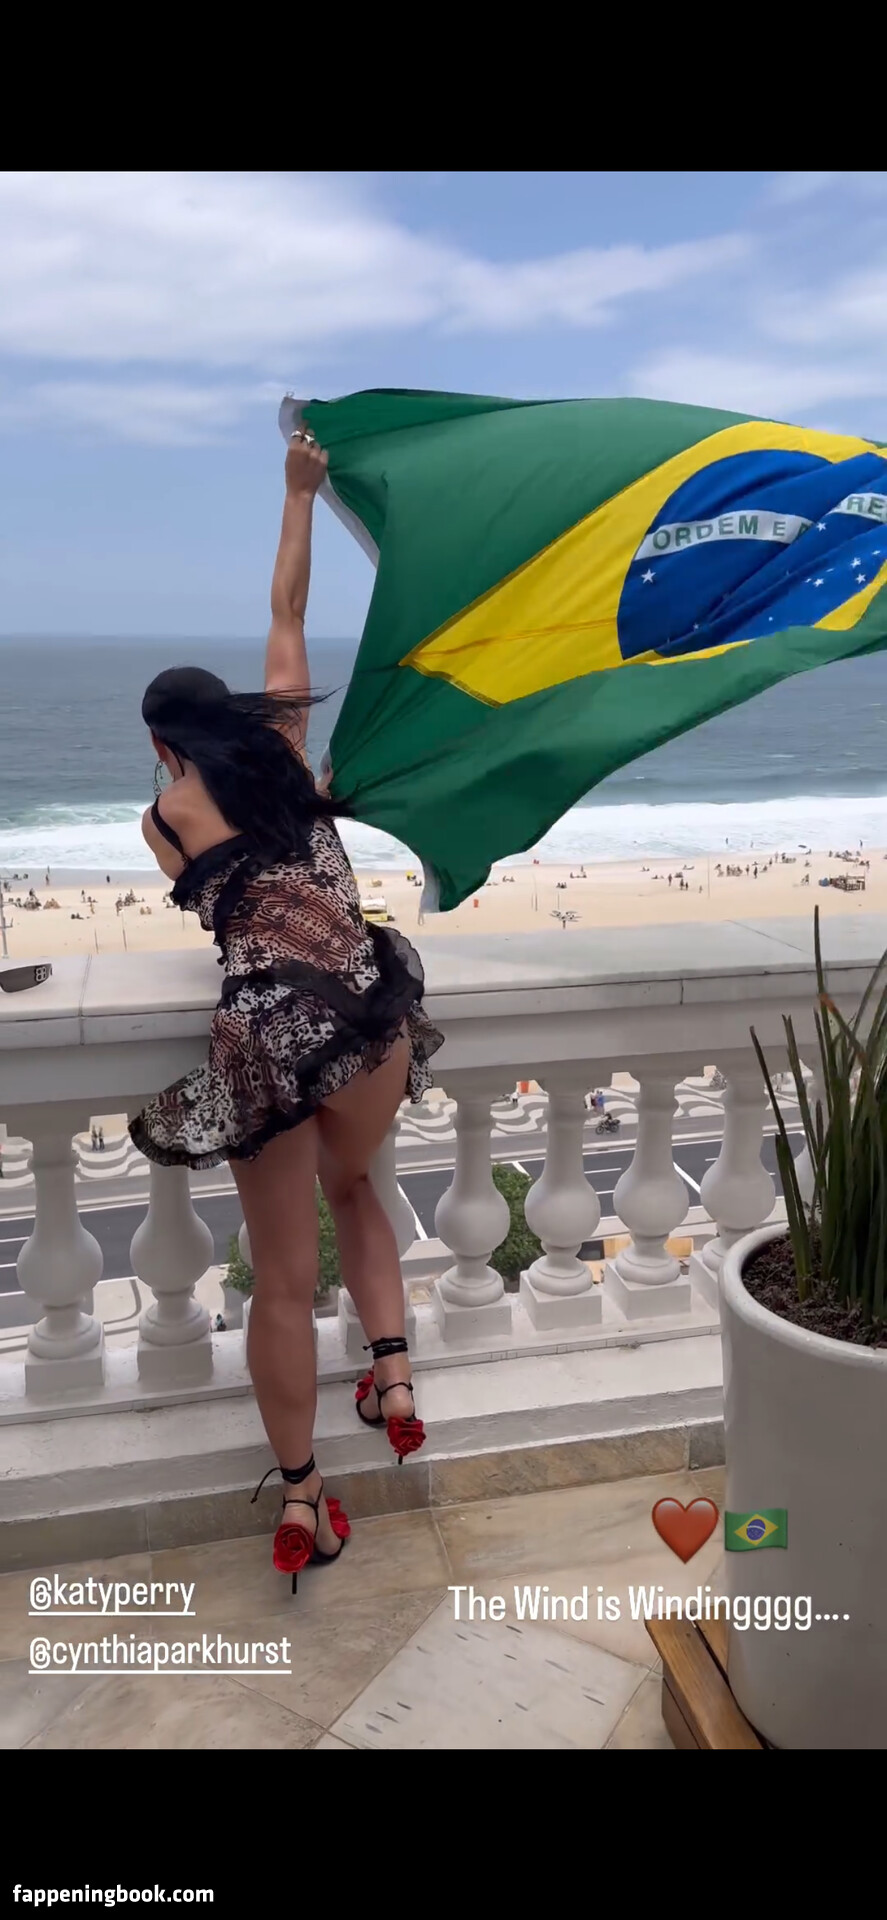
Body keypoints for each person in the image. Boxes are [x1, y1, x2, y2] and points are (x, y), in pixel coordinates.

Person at [129, 428, 444, 1594]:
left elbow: (217, 912)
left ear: (161, 742)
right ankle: (393, 1380)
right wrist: (298, 492)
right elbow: (289, 607)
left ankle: (304, 1494)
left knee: (279, 1278)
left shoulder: (162, 817)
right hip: (367, 1014)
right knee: (355, 1190)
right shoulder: (286, 752)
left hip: (268, 1035)